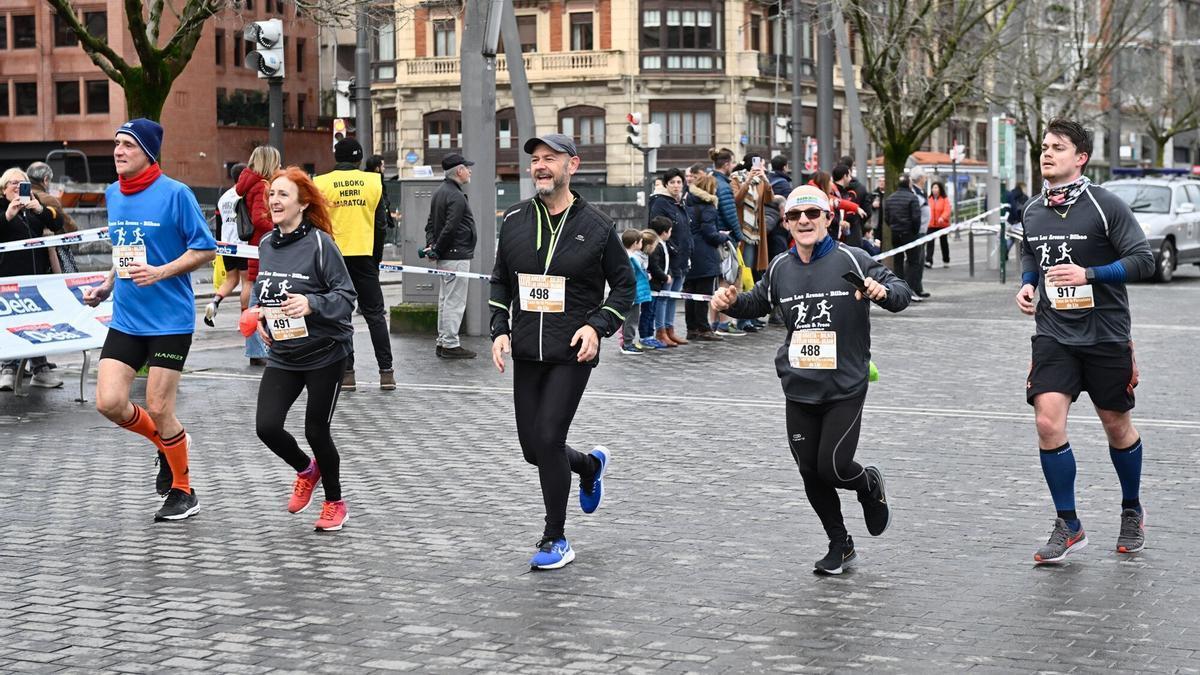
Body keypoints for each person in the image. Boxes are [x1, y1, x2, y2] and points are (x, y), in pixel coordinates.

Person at [710, 185, 912, 574]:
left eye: (812, 214)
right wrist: (731, 302)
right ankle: (840, 543)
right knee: (809, 470)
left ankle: (868, 484)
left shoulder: (854, 258)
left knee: (833, 467)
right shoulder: (782, 267)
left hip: (844, 385)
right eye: (795, 215)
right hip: (799, 386)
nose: (804, 220)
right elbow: (758, 302)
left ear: (828, 219)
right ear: (786, 223)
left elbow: (901, 293)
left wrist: (881, 291)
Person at [489, 133, 635, 570]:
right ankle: (589, 467)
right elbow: (501, 280)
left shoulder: (596, 225)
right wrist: (499, 329)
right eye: (535, 159)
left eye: (549, 159)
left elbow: (625, 285)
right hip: (526, 349)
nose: (540, 166)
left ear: (573, 165)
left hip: (573, 349)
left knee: (549, 438)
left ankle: (556, 538)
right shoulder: (514, 218)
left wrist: (599, 324)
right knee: (534, 449)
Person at [1014, 118, 1154, 564]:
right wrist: (1028, 283)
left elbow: (1143, 260)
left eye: (1057, 147)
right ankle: (1068, 524)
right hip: (1054, 334)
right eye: (1044, 146)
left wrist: (1089, 274)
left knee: (1116, 426)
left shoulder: (1105, 204)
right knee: (1047, 423)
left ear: (1080, 158)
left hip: (1106, 334)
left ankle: (1131, 509)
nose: (1047, 153)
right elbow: (1031, 250)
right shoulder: (1033, 209)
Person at [83, 118, 217, 521]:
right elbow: (123, 248)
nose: (118, 152)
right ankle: (168, 442)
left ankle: (183, 491)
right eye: (117, 144)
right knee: (109, 403)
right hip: (127, 317)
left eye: (128, 146)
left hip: (170, 321)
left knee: (159, 405)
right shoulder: (113, 193)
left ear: (148, 153)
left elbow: (205, 250)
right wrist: (107, 285)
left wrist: (161, 271)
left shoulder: (176, 195)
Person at [253, 167, 358, 532]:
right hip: (284, 353)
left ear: (302, 202)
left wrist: (311, 304)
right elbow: (264, 293)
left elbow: (346, 297)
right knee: (266, 426)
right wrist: (262, 321)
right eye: (272, 195)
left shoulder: (319, 244)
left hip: (325, 351)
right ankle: (305, 469)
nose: (275, 201)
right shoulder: (267, 244)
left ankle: (334, 502)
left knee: (316, 430)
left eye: (283, 195)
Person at [314, 139, 395, 391]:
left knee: (341, 316)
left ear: (336, 157)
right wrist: (377, 258)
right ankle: (386, 372)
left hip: (334, 258)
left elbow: (316, 224)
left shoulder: (321, 183)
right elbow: (381, 224)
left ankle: (347, 373)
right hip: (365, 255)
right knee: (375, 315)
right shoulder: (373, 182)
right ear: (359, 159)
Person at [0, 167, 65, 390]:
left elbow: (58, 224)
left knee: (38, 323)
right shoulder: (3, 209)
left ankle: (40, 369)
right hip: (8, 279)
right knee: (12, 323)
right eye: (12, 184)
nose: (17, 187)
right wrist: (8, 214)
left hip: (38, 279)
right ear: (3, 189)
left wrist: (40, 209)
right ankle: (8, 368)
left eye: (22, 183)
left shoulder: (34, 208)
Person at [424, 152, 478, 359]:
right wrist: (437, 247)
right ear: (459, 171)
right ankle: (450, 344)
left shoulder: (440, 192)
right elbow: (451, 228)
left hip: (447, 255)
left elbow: (430, 224)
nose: (470, 170)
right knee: (454, 301)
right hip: (456, 255)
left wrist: (432, 245)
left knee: (446, 299)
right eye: (467, 167)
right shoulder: (455, 195)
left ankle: (442, 341)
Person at [204, 163, 252, 332]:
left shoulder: (223, 198)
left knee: (231, 280)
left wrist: (218, 247)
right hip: (244, 246)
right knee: (248, 282)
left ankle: (214, 302)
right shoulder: (246, 195)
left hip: (225, 245)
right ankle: (244, 320)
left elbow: (218, 224)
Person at [646, 168, 691, 345]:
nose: (676, 185)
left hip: (682, 258)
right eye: (672, 182)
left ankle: (670, 328)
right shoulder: (660, 202)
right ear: (666, 184)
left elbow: (686, 229)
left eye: (679, 182)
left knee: (674, 295)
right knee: (664, 296)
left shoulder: (679, 202)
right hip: (668, 258)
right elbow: (657, 230)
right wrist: (673, 249)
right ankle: (661, 331)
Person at [684, 173, 729, 342]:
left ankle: (692, 328)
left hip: (690, 252)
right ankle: (704, 328)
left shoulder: (687, 203)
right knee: (703, 293)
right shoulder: (708, 207)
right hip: (705, 254)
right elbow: (710, 234)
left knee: (689, 293)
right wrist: (724, 236)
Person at [27, 161, 78, 273]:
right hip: (49, 254)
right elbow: (68, 226)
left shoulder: (21, 197)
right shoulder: (49, 199)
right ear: (45, 180)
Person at [882, 176, 924, 303]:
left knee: (898, 262)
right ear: (909, 185)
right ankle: (910, 289)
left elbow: (887, 218)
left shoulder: (890, 199)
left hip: (895, 233)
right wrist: (914, 232)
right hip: (909, 234)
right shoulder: (912, 198)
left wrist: (894, 227)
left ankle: (899, 289)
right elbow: (916, 218)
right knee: (913, 262)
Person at [619, 228, 653, 354]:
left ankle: (627, 342)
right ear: (635, 243)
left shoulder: (624, 256)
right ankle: (627, 344)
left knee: (629, 319)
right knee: (631, 320)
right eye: (641, 242)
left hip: (630, 294)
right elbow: (631, 278)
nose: (642, 244)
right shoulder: (631, 259)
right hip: (633, 294)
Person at [646, 218, 678, 346]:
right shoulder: (656, 246)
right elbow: (654, 265)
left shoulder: (663, 244)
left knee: (653, 311)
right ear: (664, 232)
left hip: (660, 281)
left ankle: (653, 334)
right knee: (649, 312)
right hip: (655, 283)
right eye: (670, 231)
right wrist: (664, 277)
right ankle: (649, 335)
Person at [365, 155, 397, 266]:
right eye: (383, 166)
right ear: (376, 168)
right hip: (374, 231)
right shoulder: (375, 183)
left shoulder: (376, 181)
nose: (385, 168)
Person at [924, 181, 952, 268]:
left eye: (936, 188)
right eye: (933, 188)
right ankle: (929, 261)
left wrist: (942, 217)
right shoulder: (929, 199)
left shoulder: (944, 199)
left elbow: (947, 210)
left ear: (940, 189)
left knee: (944, 243)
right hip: (931, 225)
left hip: (942, 225)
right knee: (930, 243)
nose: (934, 190)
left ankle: (946, 260)